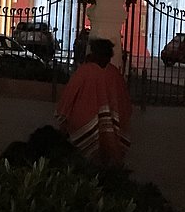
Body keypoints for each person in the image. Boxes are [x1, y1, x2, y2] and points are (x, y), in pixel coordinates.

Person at [55, 39, 133, 167]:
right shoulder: (114, 74)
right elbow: (124, 102)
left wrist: (64, 115)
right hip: (112, 125)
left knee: (85, 160)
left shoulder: (84, 72)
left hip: (83, 121)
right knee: (108, 157)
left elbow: (69, 95)